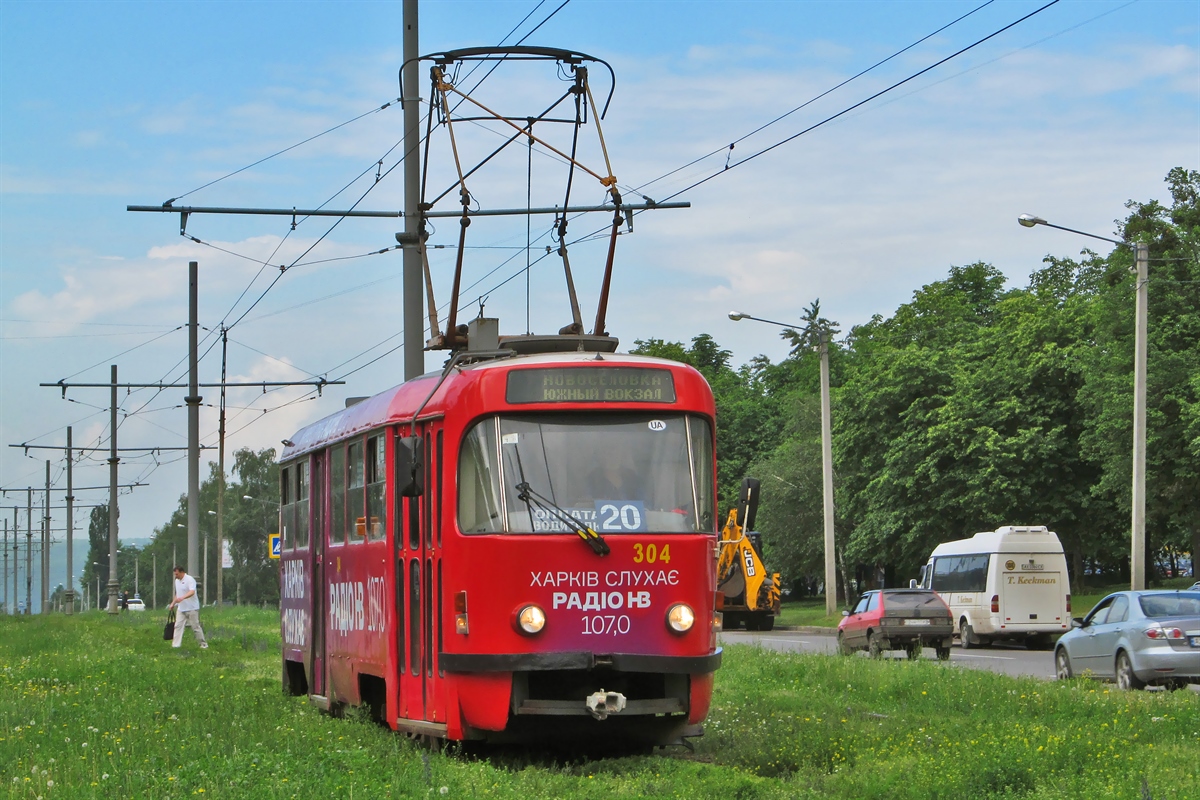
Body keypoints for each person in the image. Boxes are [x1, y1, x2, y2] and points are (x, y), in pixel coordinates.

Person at [167, 566, 208, 649]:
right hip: (181, 608)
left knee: (195, 627)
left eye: (177, 574)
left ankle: (203, 644)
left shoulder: (190, 580)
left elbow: (192, 592)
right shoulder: (177, 581)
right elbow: (177, 594)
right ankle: (176, 645)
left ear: (182, 572)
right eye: (175, 574)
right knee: (178, 626)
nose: (176, 576)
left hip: (192, 608)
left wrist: (183, 598)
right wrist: (173, 603)